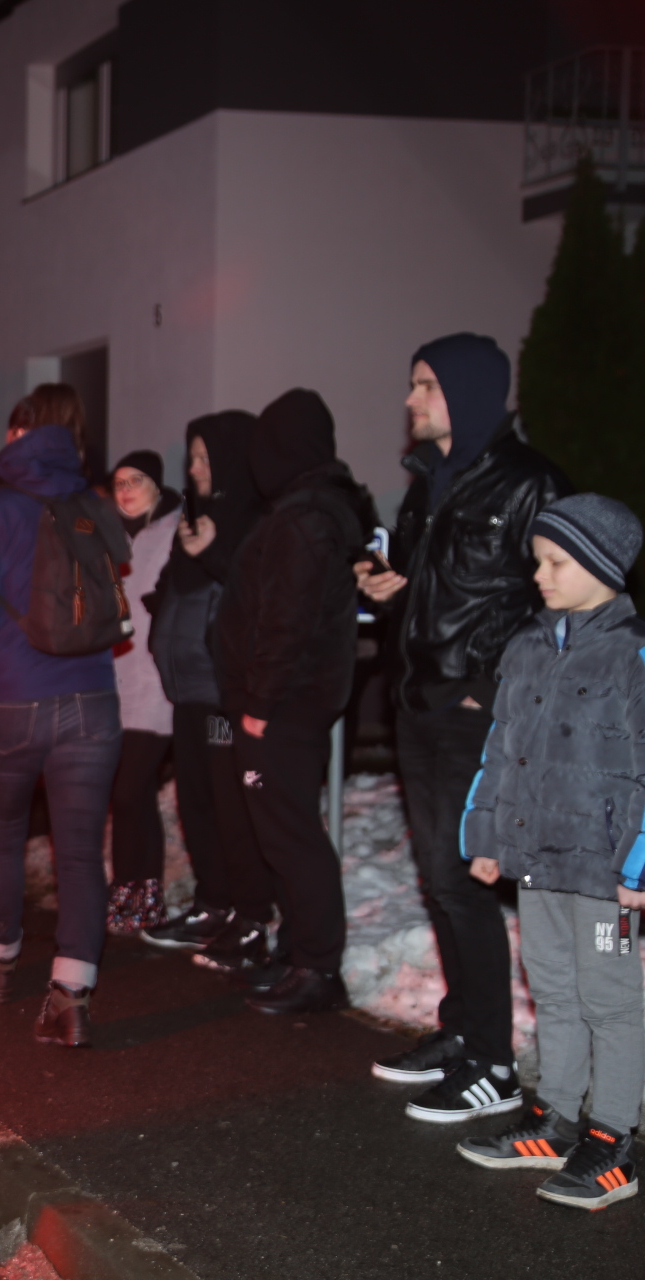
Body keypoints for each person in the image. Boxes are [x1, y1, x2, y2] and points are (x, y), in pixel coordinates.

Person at [356, 333, 570, 1121]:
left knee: (462, 882)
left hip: (478, 712)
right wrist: (388, 587)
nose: (410, 401)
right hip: (418, 701)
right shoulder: (427, 484)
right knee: (440, 883)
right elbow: (428, 588)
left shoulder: (531, 484)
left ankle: (494, 1065)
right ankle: (463, 1031)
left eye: (424, 386)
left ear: (466, 393)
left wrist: (496, 690)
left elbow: (566, 596)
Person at [455, 494, 645, 1210]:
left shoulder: (633, 655)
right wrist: (486, 834)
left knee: (611, 1001)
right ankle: (558, 1117)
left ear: (601, 565)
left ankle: (612, 1139)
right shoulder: (529, 647)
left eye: (556, 561)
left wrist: (639, 865)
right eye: (538, 560)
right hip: (539, 860)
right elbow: (499, 750)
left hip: (604, 875)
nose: (540, 574)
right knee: (556, 990)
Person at [0, 384, 127, 1046]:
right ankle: (71, 995)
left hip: (7, 698)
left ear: (19, 432)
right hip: (90, 699)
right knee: (80, 850)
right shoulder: (91, 504)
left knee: (0, 835)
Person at [213, 389, 370, 1015]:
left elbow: (287, 619)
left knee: (292, 836)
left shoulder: (307, 515)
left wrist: (259, 702)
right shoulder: (303, 509)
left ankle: (318, 968)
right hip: (280, 702)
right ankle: (297, 950)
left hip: (282, 705)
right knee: (280, 835)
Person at [140, 414, 277, 970]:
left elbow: (250, 596)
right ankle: (212, 902)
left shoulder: (250, 521)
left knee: (231, 800)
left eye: (203, 458)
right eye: (191, 458)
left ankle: (249, 912)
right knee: (195, 799)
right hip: (188, 690)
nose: (193, 469)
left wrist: (211, 553)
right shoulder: (199, 521)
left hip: (225, 694)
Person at [105, 450, 181, 934]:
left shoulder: (176, 531)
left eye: (136, 480)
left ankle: (145, 894)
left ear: (157, 485)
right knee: (125, 793)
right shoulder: (107, 535)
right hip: (111, 679)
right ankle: (128, 891)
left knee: (132, 786)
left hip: (157, 679)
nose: (126, 490)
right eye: (118, 483)